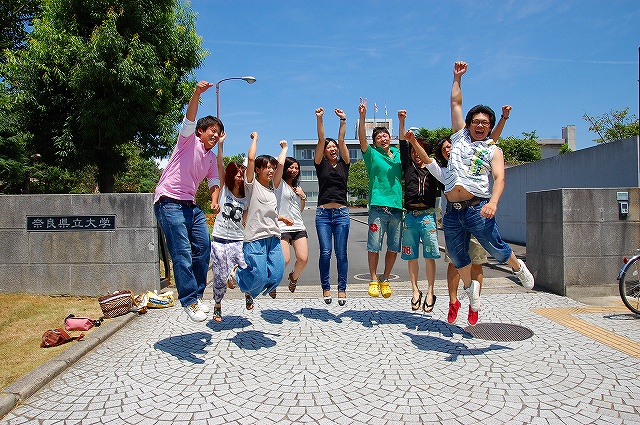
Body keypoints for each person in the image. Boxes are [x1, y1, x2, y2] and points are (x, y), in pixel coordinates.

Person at [417, 61, 534, 325]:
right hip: (452, 212)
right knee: (458, 257)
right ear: (468, 124)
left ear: (490, 127)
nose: (480, 125)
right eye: (476, 121)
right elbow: (456, 104)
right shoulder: (458, 138)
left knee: (496, 247)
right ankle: (470, 291)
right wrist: (457, 78)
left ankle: (518, 268)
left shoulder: (493, 149)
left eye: (485, 123)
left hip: (476, 207)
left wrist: (493, 201)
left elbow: (500, 177)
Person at [434, 104, 512, 324]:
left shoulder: (474, 152)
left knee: (476, 261)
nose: (450, 149)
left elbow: (489, 140)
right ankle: (452, 301)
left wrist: (503, 118)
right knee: (456, 262)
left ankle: (473, 303)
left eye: (452, 146)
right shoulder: (443, 167)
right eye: (446, 148)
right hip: (453, 214)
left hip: (476, 210)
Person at [153, 80, 221, 323]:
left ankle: (198, 296)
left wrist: (214, 200)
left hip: (191, 206)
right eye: (211, 130)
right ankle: (189, 300)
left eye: (218, 131)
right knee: (181, 252)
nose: (215, 134)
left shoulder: (211, 157)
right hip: (168, 202)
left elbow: (214, 182)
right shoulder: (187, 141)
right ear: (201, 132)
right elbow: (189, 118)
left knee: (203, 249)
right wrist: (197, 93)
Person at [228, 134, 290, 308]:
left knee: (276, 276)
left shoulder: (273, 188)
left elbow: (281, 165)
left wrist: (284, 149)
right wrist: (255, 139)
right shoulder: (251, 186)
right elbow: (250, 158)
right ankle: (237, 275)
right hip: (255, 238)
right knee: (260, 276)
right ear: (257, 170)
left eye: (272, 168)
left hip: (273, 238)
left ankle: (249, 290)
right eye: (266, 167)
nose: (270, 171)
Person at [358, 98, 403, 299]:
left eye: (386, 135)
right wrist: (362, 116)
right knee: (374, 245)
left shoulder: (399, 155)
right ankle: (374, 279)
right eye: (379, 137)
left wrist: (401, 121)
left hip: (396, 208)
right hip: (377, 207)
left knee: (393, 247)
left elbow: (404, 142)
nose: (383, 139)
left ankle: (385, 279)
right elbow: (361, 140)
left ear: (390, 137)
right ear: (375, 141)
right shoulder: (372, 155)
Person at [397, 110, 440, 313]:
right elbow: (403, 143)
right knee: (411, 256)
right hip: (410, 217)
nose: (416, 153)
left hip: (428, 215)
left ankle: (430, 291)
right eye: (414, 150)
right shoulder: (408, 166)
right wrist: (402, 121)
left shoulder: (433, 167)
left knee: (430, 255)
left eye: (420, 149)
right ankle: (415, 290)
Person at [209, 136, 247, 322]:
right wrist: (221, 144)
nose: (241, 178)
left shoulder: (246, 197)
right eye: (238, 175)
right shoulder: (224, 189)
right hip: (219, 238)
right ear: (232, 175)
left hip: (238, 239)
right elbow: (219, 164)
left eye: (243, 175)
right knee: (219, 274)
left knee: (243, 266)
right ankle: (217, 305)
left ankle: (248, 292)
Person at [315, 107, 351, 306]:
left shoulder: (345, 163)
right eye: (329, 146)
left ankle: (342, 289)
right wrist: (320, 119)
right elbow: (321, 140)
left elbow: (343, 140)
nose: (332, 148)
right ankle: (326, 287)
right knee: (326, 252)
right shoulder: (321, 164)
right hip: (323, 214)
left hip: (342, 214)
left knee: (341, 253)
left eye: (334, 146)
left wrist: (343, 121)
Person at [271, 156, 308, 299]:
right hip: (282, 227)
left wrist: (303, 197)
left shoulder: (298, 188)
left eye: (296, 168)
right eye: (291, 167)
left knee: (303, 259)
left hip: (298, 226)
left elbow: (300, 210)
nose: (294, 170)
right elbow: (278, 167)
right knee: (284, 260)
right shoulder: (278, 184)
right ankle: (273, 282)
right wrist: (284, 149)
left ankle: (293, 277)